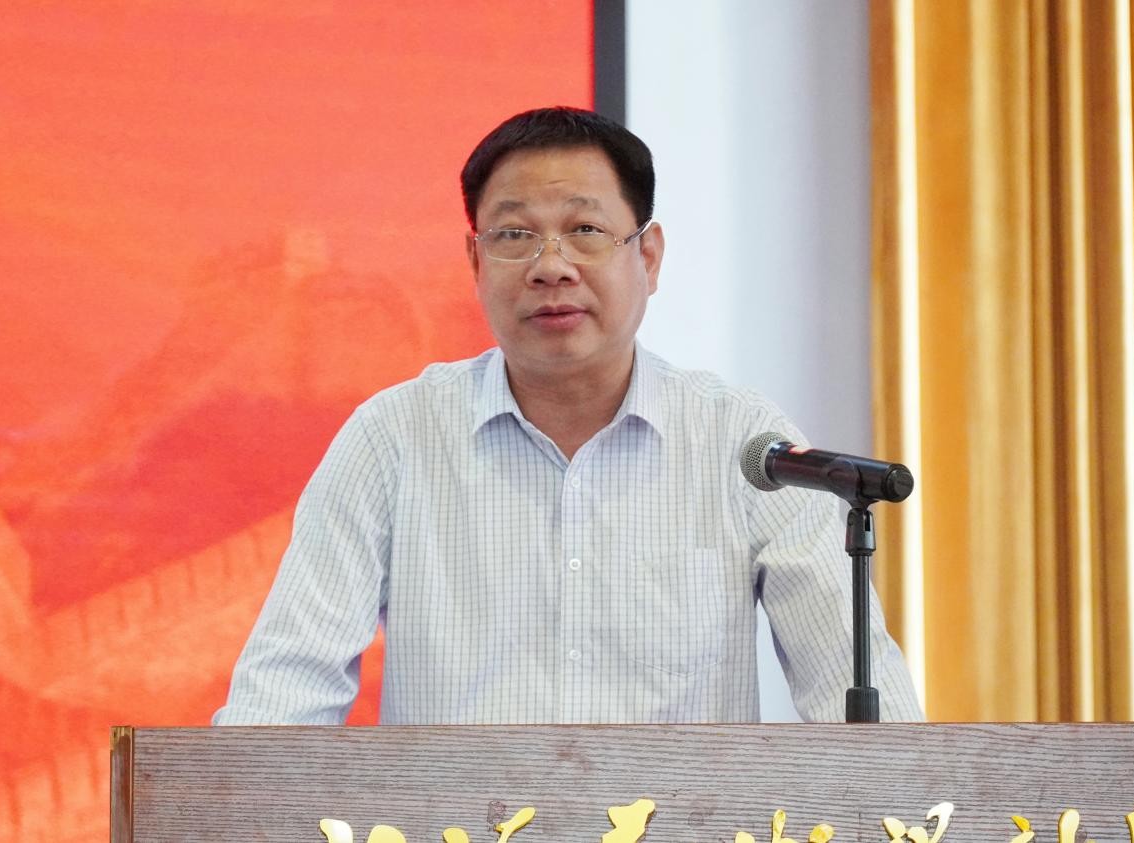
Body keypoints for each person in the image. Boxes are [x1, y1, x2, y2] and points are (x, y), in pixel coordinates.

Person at [213, 107, 923, 725]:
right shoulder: (394, 438)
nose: (551, 266)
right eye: (514, 235)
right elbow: (284, 694)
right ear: (475, 261)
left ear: (649, 256)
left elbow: (862, 702)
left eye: (585, 229)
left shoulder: (744, 445)